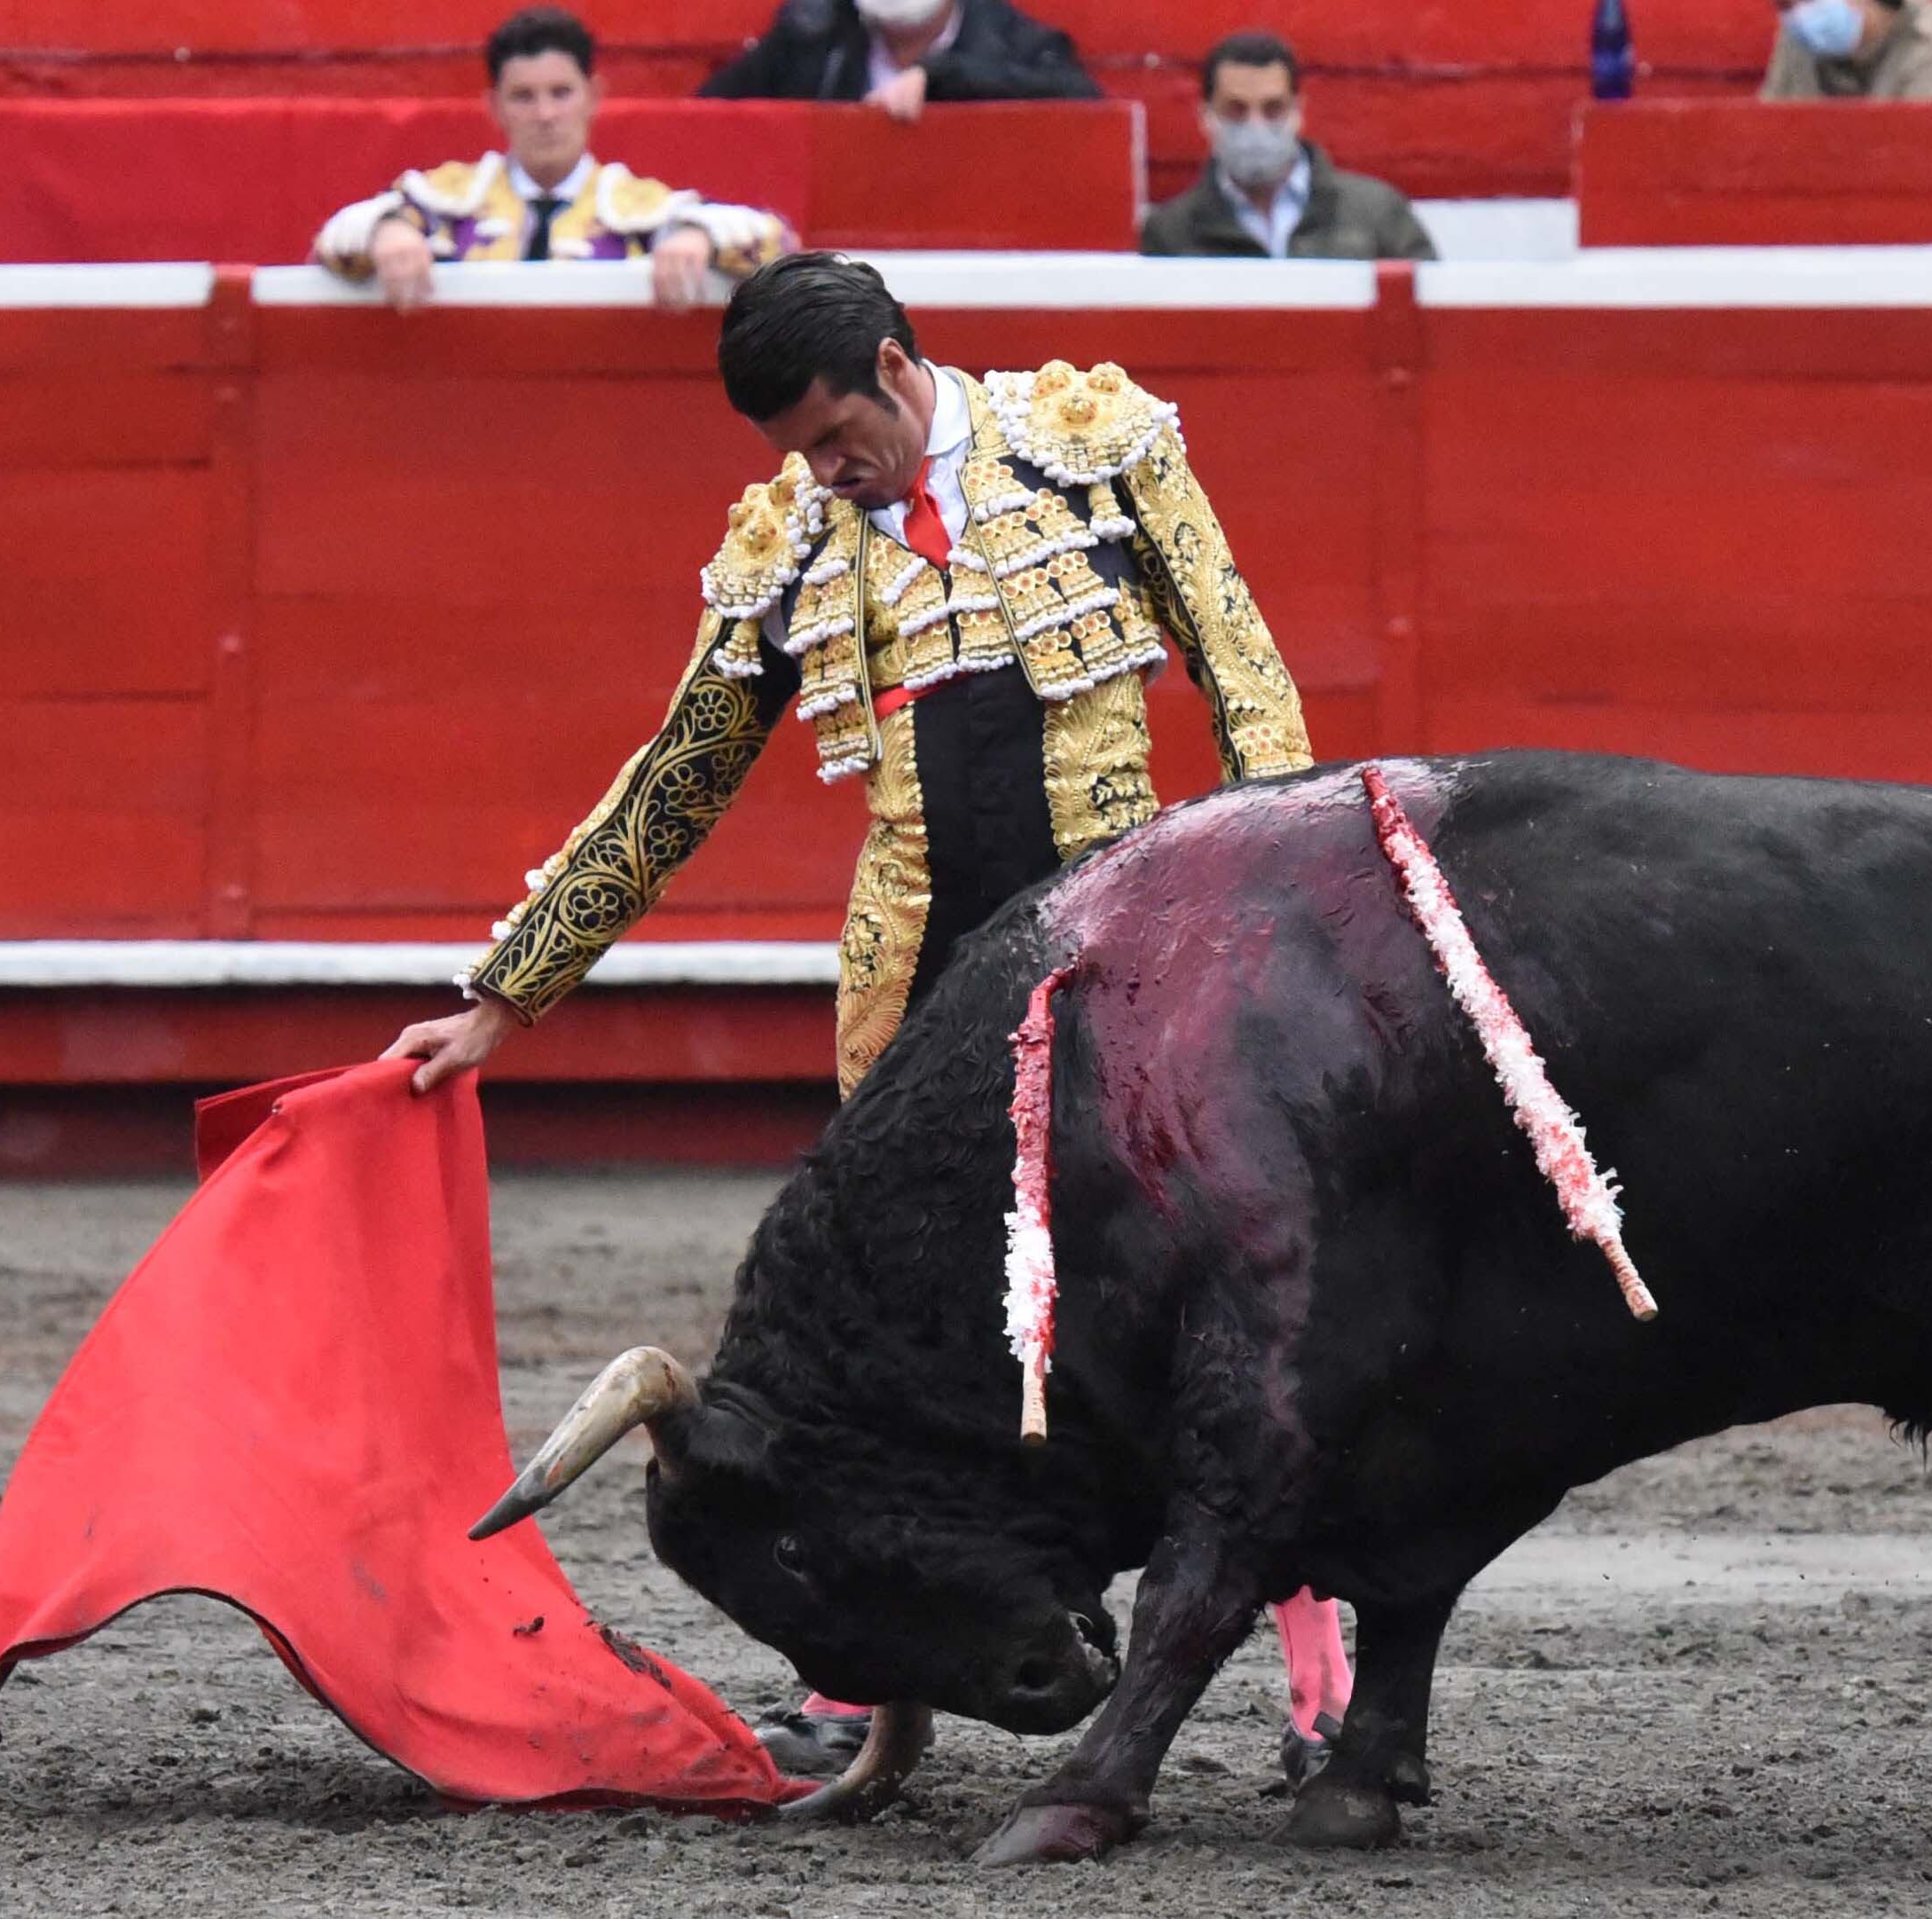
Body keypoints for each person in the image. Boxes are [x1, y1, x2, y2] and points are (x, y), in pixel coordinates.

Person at [381, 251, 1338, 1779]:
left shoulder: (1095, 443)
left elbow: (1247, 680)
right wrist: (508, 995)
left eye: (837, 437)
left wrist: (1263, 912)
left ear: (898, 370)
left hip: (1126, 965)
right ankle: (855, 1679)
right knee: (888, 1355)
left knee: (1218, 1308)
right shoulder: (787, 543)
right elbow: (677, 775)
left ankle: (1319, 1681)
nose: (825, 472)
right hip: (915, 1005)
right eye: (798, 455)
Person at [313, 8, 789, 315]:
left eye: (560, 93)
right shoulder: (442, 201)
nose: (545, 115)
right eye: (523, 96)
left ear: (593, 98)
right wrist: (388, 229)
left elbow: (775, 243)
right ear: (495, 106)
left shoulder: (638, 208)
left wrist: (699, 235)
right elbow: (334, 240)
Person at [1140, 32, 1440, 259]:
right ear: (1206, 116)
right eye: (1236, 109)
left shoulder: (1377, 214)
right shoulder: (1169, 234)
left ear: (1298, 111)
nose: (1255, 125)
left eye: (1273, 109)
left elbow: (1435, 324)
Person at [701, 0, 1099, 119]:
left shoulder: (1014, 40)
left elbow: (1088, 108)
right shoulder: (811, 37)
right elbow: (707, 119)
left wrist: (943, 78)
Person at [1762, 0, 1932, 99]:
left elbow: (1929, 165)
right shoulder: (1798, 38)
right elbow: (1769, 142)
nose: (1799, 14)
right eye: (1785, 4)